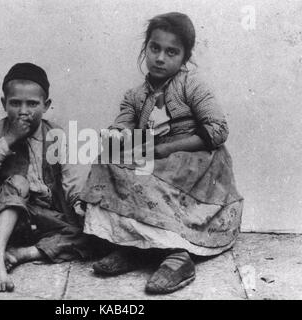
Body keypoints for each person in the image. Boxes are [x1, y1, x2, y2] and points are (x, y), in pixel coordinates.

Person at [79, 12, 244, 294]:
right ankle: (133, 246)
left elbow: (218, 129)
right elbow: (124, 124)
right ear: (146, 48)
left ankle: (177, 257)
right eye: (155, 48)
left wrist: (165, 148)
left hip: (194, 163)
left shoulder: (192, 86)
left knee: (159, 169)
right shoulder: (135, 95)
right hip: (154, 157)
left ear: (185, 57)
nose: (160, 58)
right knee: (107, 160)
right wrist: (117, 134)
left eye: (172, 52)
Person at [0, 63, 90, 292]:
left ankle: (22, 254)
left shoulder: (56, 135)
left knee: (93, 233)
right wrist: (10, 139)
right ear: (4, 103)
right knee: (19, 182)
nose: (23, 111)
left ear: (46, 105)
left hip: (42, 217)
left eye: (32, 104)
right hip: (7, 215)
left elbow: (71, 177)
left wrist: (78, 204)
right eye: (15, 103)